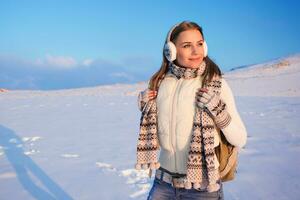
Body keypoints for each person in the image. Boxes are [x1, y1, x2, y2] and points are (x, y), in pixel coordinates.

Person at [135, 21, 247, 200]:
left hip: (203, 187)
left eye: (200, 44)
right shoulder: (159, 84)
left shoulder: (216, 85)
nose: (196, 51)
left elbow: (240, 139)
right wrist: (146, 107)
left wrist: (218, 110)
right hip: (163, 183)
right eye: (187, 46)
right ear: (170, 51)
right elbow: (158, 133)